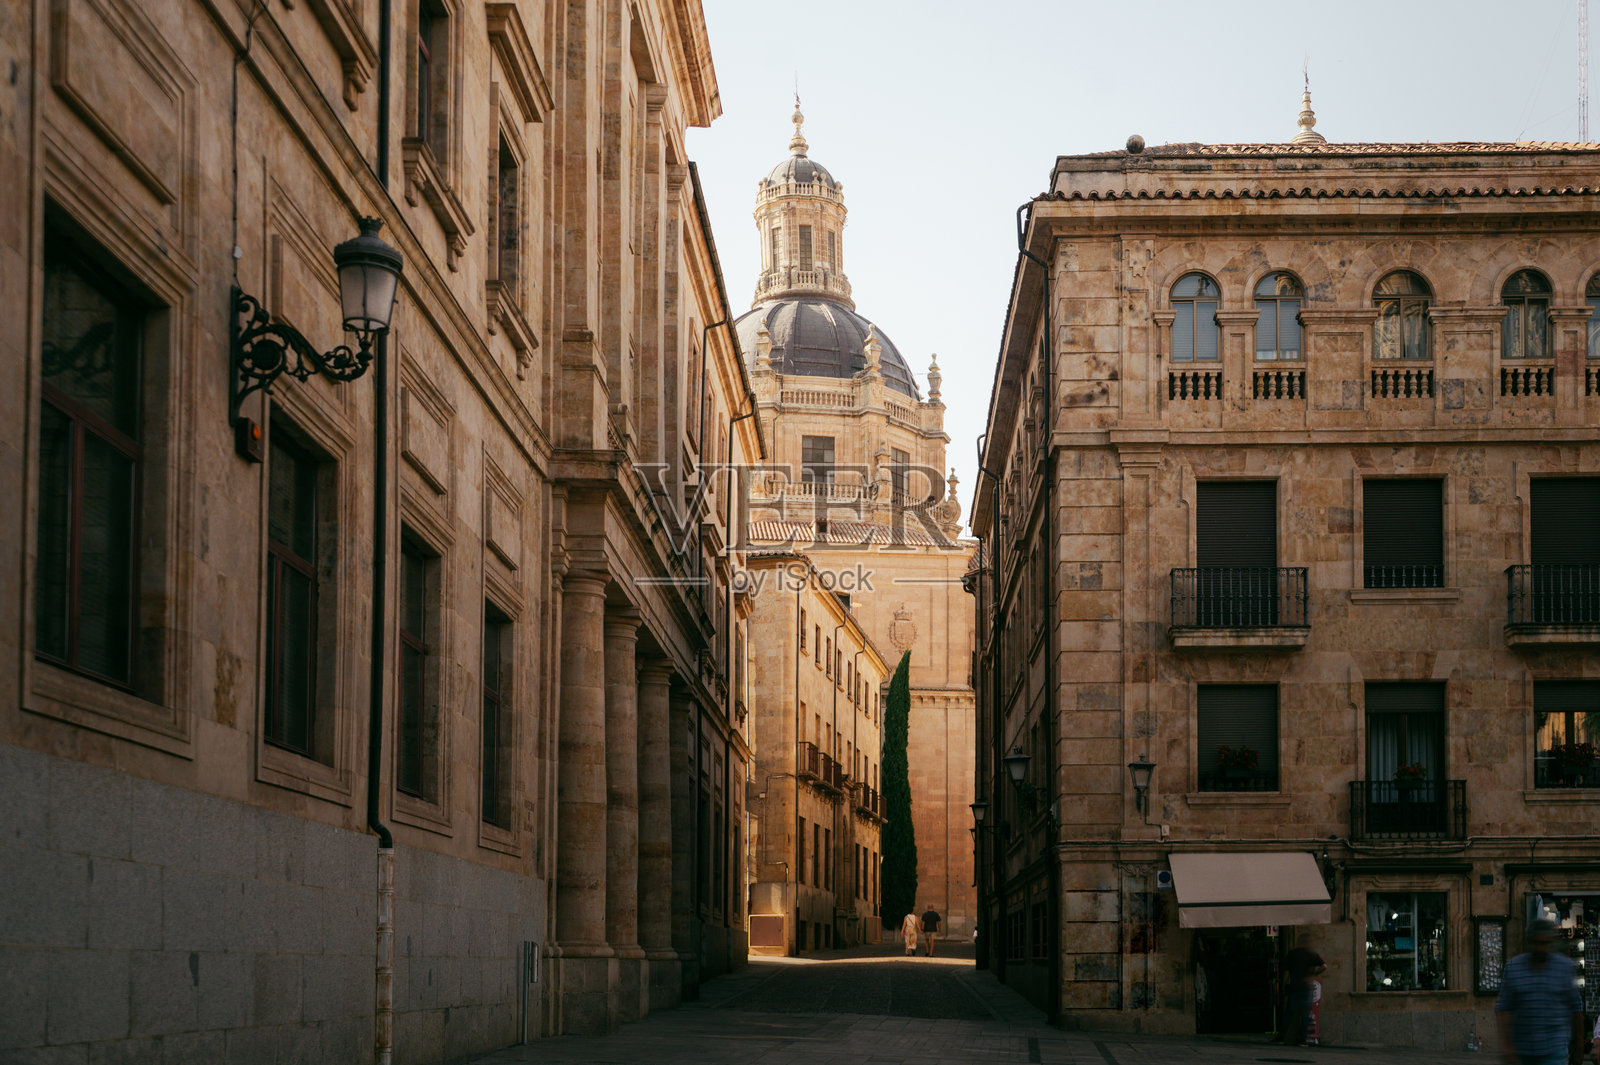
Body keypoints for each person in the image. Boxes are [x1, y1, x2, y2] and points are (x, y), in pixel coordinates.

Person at [1495, 918, 1584, 1065]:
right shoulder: (1514, 968)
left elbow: (1576, 1008)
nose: (1541, 948)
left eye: (1545, 943)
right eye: (1537, 943)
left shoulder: (1564, 967)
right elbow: (1503, 1009)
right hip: (1523, 1049)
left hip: (1554, 1048)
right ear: (1529, 942)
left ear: (1551, 943)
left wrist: (1579, 1047)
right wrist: (1507, 1047)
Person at [1283, 943, 1326, 1048]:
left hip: (1295, 987)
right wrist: (1315, 974)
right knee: (1306, 1015)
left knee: (1289, 1014)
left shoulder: (1293, 954)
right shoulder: (1312, 954)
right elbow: (1324, 966)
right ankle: (1302, 1040)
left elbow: (1287, 972)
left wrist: (1284, 985)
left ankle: (1281, 1037)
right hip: (1307, 988)